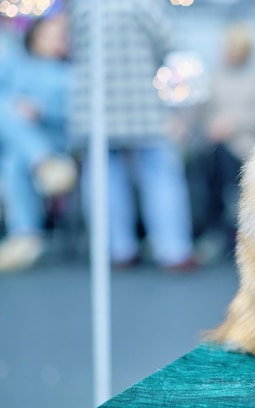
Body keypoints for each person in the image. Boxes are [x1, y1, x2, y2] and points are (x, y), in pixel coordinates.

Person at [69, 0, 196, 271]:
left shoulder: (83, 7)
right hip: (145, 108)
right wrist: (180, 109)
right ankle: (174, 251)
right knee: (161, 177)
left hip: (96, 110)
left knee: (103, 180)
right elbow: (175, 51)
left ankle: (118, 250)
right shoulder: (144, 5)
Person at [189, 22, 255, 257]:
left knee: (225, 162)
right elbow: (201, 113)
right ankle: (214, 229)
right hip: (214, 147)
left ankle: (230, 230)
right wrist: (211, 125)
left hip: (246, 147)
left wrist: (233, 122)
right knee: (207, 163)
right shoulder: (212, 78)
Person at [0, 14, 76, 272]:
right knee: (5, 112)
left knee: (14, 161)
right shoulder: (16, 64)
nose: (58, 40)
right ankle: (43, 163)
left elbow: (76, 114)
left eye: (62, 35)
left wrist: (42, 111)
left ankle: (24, 235)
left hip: (58, 142)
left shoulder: (71, 73)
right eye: (51, 34)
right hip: (22, 142)